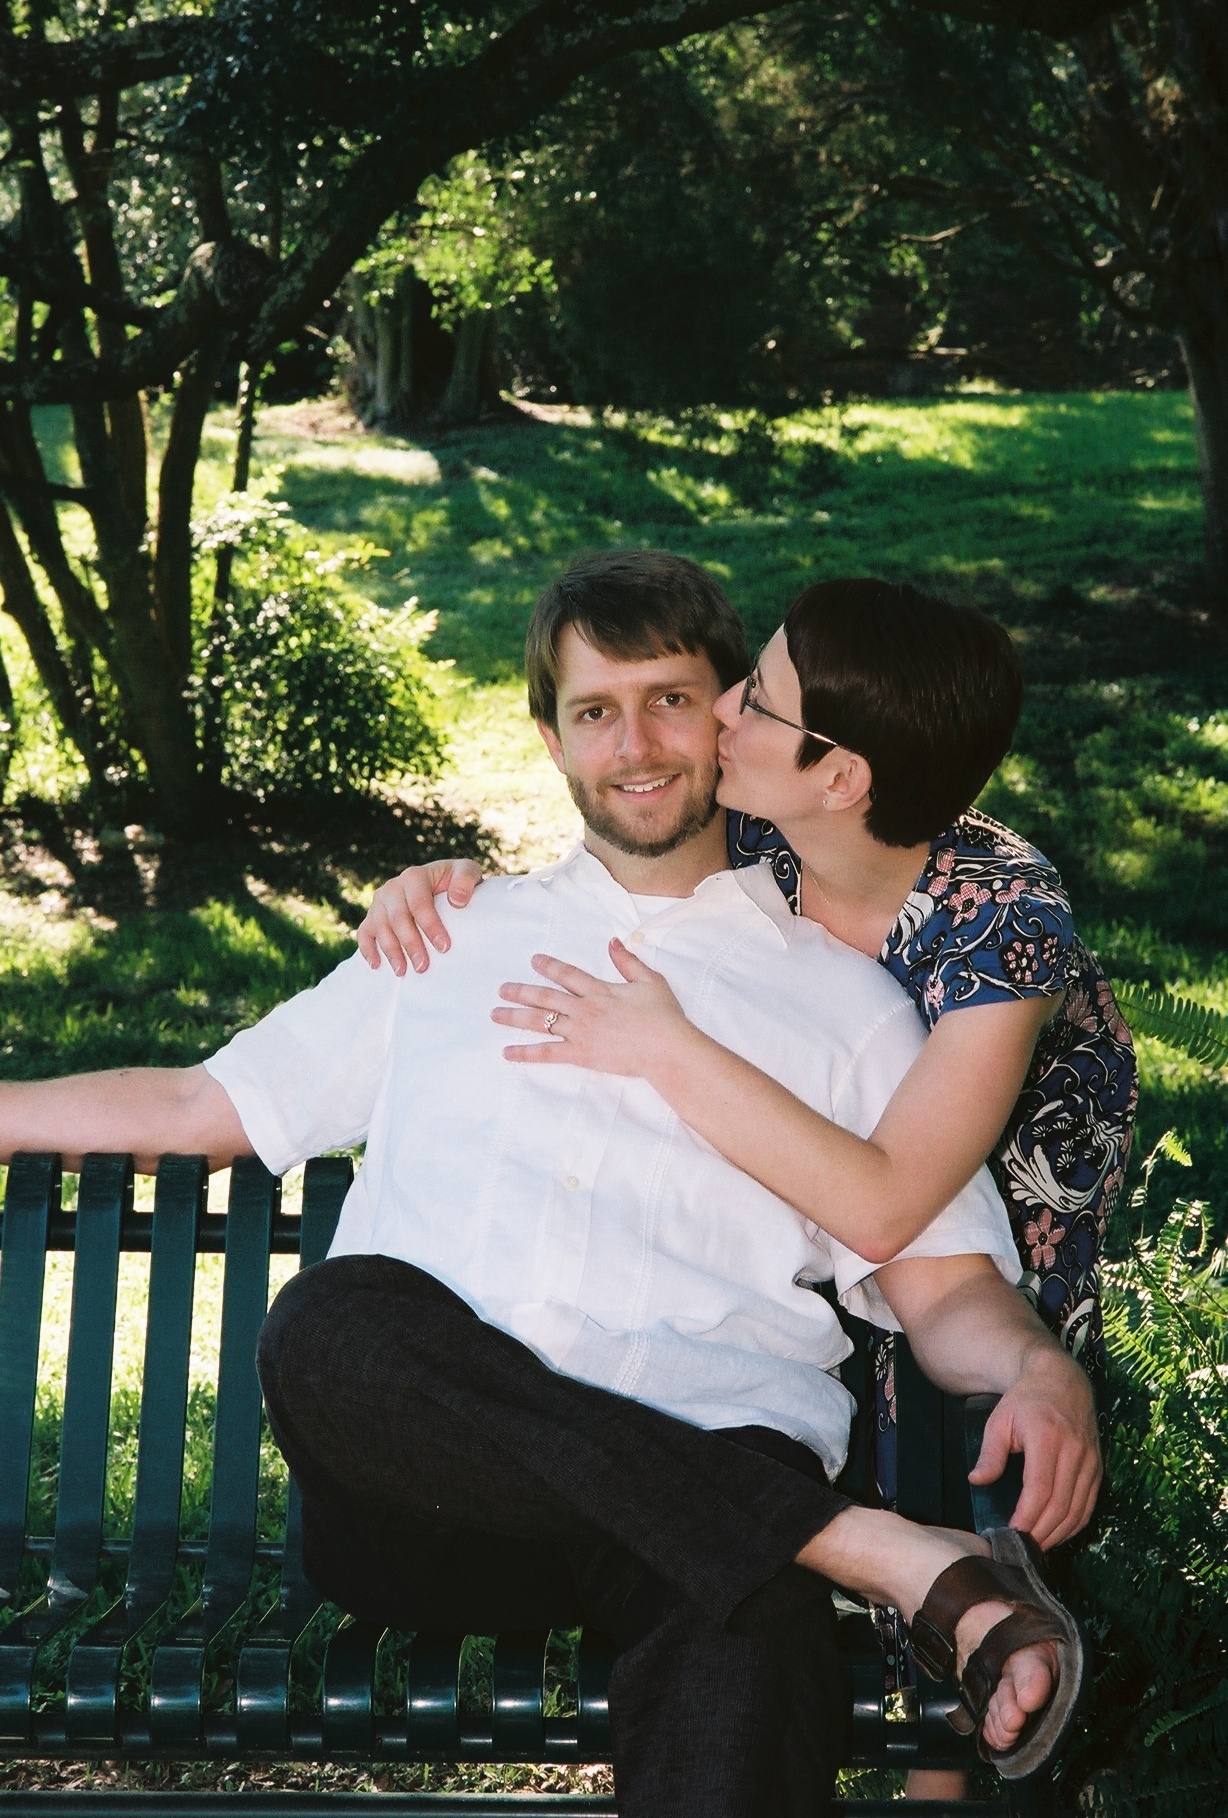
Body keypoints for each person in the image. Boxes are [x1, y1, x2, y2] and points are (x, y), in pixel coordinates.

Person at [0, 553, 1099, 1818]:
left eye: (670, 699)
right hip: (431, 1504)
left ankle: (808, 1544)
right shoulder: (445, 938)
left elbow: (942, 1284)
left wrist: (1036, 1368)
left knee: (745, 1633)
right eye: (594, 710)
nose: (635, 744)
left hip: (713, 1468)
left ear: (727, 712)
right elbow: (203, 1109)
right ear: (550, 739)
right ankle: (864, 1549)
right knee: (333, 1326)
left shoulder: (846, 1003)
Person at [359, 558, 1134, 1805]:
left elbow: (895, 1216)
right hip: (544, 1463)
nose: (718, 713)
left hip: (1003, 1131)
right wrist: (444, 887)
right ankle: (888, 1559)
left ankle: (945, 1740)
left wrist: (664, 1048)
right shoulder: (756, 817)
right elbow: (629, 851)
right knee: (343, 1326)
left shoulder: (998, 926)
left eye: (753, 700)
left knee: (936, 1417)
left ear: (839, 777)